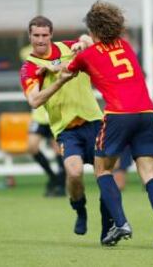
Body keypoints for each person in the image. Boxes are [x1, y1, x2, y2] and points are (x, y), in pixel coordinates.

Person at [63, 1, 153, 248]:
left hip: (119, 115)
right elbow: (103, 49)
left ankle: (121, 223)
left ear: (93, 30)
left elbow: (66, 70)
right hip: (145, 112)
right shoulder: (126, 45)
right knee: (149, 173)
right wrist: (87, 42)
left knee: (102, 170)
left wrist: (77, 49)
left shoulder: (86, 57)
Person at [20, 16, 113, 241]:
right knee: (74, 173)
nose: (40, 40)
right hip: (66, 130)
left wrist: (84, 43)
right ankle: (80, 210)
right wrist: (59, 80)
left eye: (44, 35)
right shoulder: (30, 67)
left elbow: (89, 41)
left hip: (93, 121)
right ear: (30, 36)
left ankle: (107, 226)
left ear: (51, 34)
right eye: (36, 35)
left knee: (106, 175)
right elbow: (33, 101)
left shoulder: (69, 47)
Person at [29, 106, 66, 196]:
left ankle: (61, 184)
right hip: (39, 117)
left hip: (57, 116)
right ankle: (53, 177)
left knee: (59, 150)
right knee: (32, 146)